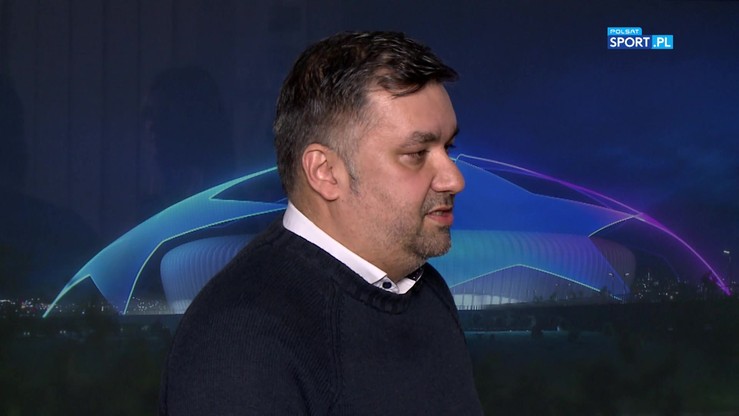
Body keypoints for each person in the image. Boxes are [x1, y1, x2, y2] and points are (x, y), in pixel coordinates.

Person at [159, 31, 483, 415]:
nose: (454, 179)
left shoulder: (429, 295)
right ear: (325, 172)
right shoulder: (240, 339)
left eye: (447, 148)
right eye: (416, 153)